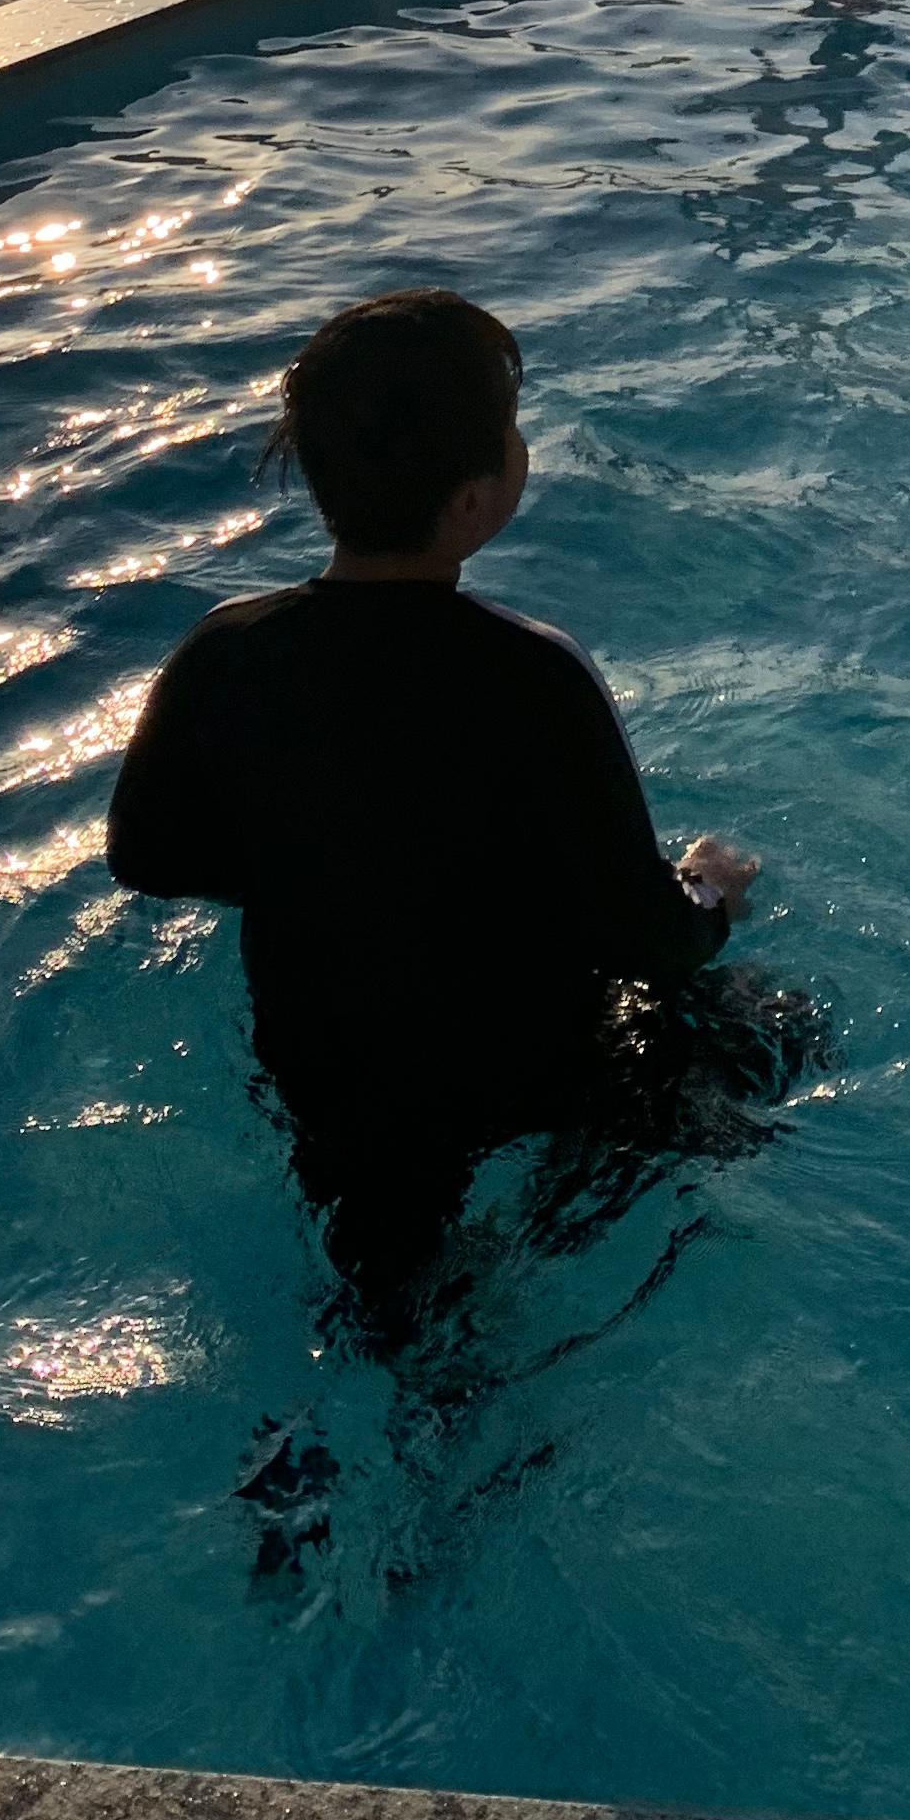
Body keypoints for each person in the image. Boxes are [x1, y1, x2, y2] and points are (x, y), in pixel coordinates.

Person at [104, 288, 760, 1318]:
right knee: (763, 1034)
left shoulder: (224, 649)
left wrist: (318, 865)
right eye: (512, 432)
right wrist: (709, 892)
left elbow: (144, 856)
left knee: (387, 1273)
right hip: (523, 1053)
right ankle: (567, 1210)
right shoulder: (534, 671)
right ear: (471, 501)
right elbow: (647, 936)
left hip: (324, 1059)